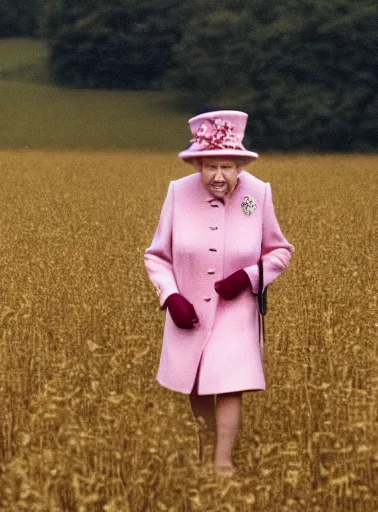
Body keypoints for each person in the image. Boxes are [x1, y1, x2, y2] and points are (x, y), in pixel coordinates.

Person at [144, 110, 294, 475]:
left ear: (239, 166)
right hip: (189, 310)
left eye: (227, 166)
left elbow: (280, 251)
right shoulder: (178, 193)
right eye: (210, 166)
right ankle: (205, 455)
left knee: (230, 383)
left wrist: (248, 277)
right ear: (198, 164)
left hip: (236, 313)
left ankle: (222, 463)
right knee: (196, 385)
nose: (218, 176)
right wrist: (171, 296)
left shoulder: (257, 194)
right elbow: (156, 256)